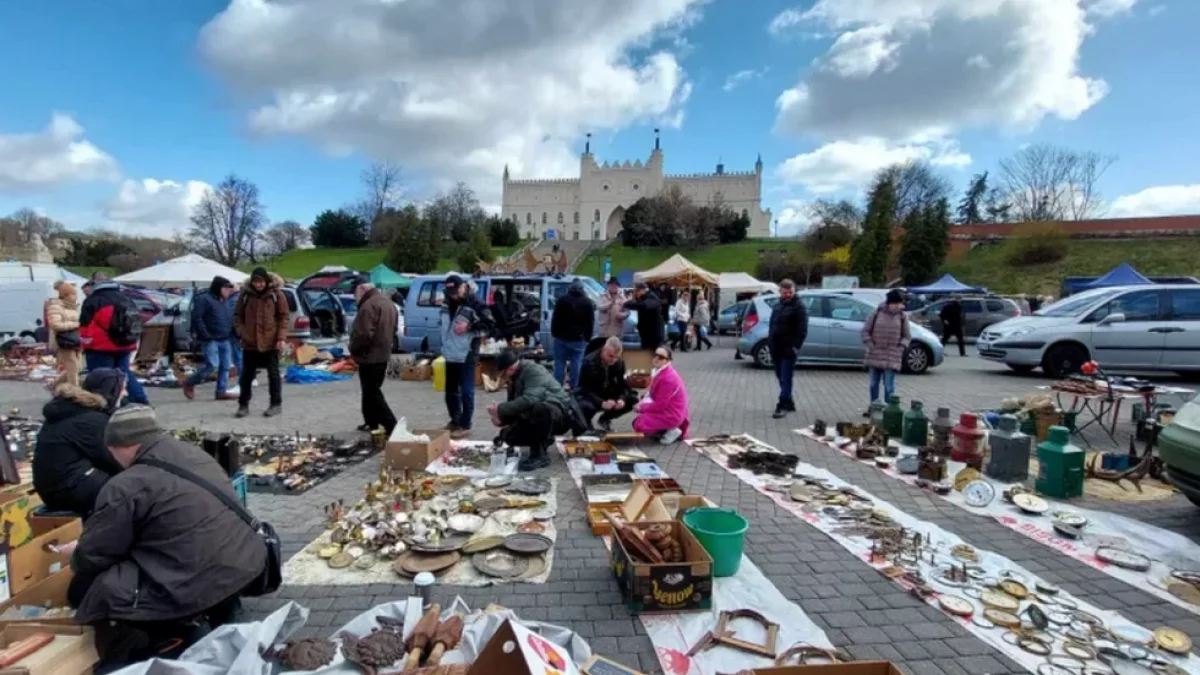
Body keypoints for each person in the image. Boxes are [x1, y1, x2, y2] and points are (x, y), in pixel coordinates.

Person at [69, 406, 267, 670]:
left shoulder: (126, 484)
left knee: (88, 588)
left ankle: (173, 635)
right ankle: (215, 613)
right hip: (247, 560)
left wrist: (75, 551)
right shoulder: (192, 453)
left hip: (200, 579)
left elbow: (95, 554)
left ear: (121, 446)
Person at [33, 369, 125, 516]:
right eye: (123, 388)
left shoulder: (73, 410)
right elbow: (114, 459)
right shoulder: (92, 420)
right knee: (136, 487)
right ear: (112, 391)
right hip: (70, 489)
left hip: (54, 487)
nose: (125, 393)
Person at [488, 350, 583, 472]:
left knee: (540, 409)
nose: (502, 378)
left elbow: (530, 400)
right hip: (539, 413)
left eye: (502, 374)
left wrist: (500, 409)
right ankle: (543, 440)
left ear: (510, 368)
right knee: (510, 437)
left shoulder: (533, 371)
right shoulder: (514, 377)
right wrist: (500, 419)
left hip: (560, 414)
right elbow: (516, 407)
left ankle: (540, 455)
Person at [441, 274, 495, 439]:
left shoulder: (477, 304)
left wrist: (469, 327)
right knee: (450, 391)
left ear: (463, 287)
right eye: (450, 293)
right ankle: (455, 420)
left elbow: (490, 326)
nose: (454, 296)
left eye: (456, 291)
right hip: (450, 354)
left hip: (467, 354)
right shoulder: (447, 302)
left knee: (466, 392)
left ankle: (466, 424)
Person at [80, 279, 149, 405]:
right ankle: (139, 399)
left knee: (101, 377)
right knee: (124, 373)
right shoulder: (126, 299)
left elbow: (85, 327)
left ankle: (105, 404)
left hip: (100, 347)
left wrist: (85, 345)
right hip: (125, 344)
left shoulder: (93, 301)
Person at [234, 268, 289, 418]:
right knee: (246, 375)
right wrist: (241, 332)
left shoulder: (276, 295)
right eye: (255, 282)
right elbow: (237, 315)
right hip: (250, 342)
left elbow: (284, 318)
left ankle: (276, 404)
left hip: (271, 342)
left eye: (261, 282)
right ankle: (243, 405)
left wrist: (281, 338)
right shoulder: (245, 295)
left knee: (273, 374)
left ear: (266, 281)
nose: (258, 285)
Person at [350, 281, 399, 435]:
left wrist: (354, 349)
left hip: (369, 355)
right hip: (382, 353)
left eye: (356, 293)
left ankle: (391, 424)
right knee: (370, 390)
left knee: (372, 391)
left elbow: (363, 333)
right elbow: (395, 329)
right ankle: (371, 422)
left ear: (363, 289)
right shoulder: (389, 304)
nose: (355, 297)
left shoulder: (368, 306)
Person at [183, 276, 237, 401]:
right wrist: (206, 335)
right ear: (218, 287)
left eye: (229, 288)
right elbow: (197, 318)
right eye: (226, 288)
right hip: (210, 339)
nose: (228, 290)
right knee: (212, 365)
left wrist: (234, 333)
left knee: (225, 366)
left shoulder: (224, 301)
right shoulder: (203, 299)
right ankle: (189, 382)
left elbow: (229, 319)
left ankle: (221, 391)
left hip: (225, 338)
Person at [576, 337, 639, 432]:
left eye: (616, 357)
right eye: (610, 356)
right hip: (592, 394)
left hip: (608, 391)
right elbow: (584, 388)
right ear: (603, 350)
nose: (613, 360)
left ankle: (605, 418)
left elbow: (624, 385)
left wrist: (621, 399)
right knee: (585, 406)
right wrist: (601, 402)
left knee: (633, 399)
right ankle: (586, 424)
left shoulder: (619, 363)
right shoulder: (589, 362)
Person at [864, 290, 911, 409]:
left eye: (899, 303)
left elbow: (907, 336)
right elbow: (865, 331)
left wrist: (901, 348)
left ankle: (889, 410)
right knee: (873, 384)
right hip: (875, 353)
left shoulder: (902, 316)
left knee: (889, 386)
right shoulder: (876, 313)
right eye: (895, 303)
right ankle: (874, 407)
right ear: (889, 303)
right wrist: (870, 344)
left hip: (892, 356)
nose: (897, 306)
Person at [768, 279, 808, 419]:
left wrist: (795, 347)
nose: (788, 295)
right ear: (780, 292)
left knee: (786, 377)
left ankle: (782, 404)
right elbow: (772, 325)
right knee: (780, 376)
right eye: (785, 292)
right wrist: (770, 341)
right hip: (776, 347)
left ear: (794, 291)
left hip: (789, 348)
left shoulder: (799, 307)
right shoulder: (777, 305)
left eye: (790, 292)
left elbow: (802, 330)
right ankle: (789, 401)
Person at [632, 347, 690, 444]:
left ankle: (671, 431)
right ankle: (667, 429)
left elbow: (660, 405)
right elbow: (655, 394)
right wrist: (642, 400)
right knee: (639, 420)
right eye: (655, 355)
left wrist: (641, 407)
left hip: (672, 414)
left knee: (639, 424)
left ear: (667, 360)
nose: (656, 358)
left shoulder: (667, 378)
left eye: (661, 357)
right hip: (672, 411)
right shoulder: (662, 371)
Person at [550, 278, 594, 387]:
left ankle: (557, 387)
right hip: (579, 338)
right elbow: (590, 322)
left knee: (559, 363)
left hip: (561, 336)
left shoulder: (561, 300)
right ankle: (575, 387)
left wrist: (554, 333)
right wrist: (588, 338)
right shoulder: (587, 302)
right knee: (576, 363)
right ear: (582, 289)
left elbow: (555, 319)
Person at [47, 281, 82, 386]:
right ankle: (75, 391)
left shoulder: (73, 307)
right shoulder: (55, 306)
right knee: (73, 366)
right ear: (66, 295)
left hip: (75, 340)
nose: (75, 296)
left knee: (78, 368)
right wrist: (76, 324)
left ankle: (53, 385)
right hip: (63, 340)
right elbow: (56, 325)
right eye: (73, 294)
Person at [624, 283, 664, 350]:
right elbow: (633, 303)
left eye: (637, 291)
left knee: (654, 355)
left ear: (643, 290)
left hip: (654, 335)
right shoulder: (642, 298)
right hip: (646, 335)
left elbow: (644, 306)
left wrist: (627, 305)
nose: (636, 294)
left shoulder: (652, 297)